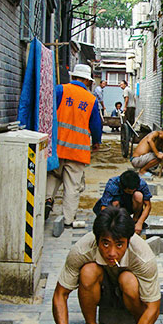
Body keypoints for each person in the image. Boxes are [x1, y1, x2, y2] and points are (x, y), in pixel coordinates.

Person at [52, 206, 161, 324]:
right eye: (105, 243)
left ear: (128, 240)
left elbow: (153, 308)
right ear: (97, 239)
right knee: (87, 272)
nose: (112, 253)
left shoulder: (143, 258)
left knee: (129, 281)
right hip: (100, 291)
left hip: (130, 295)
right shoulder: (81, 250)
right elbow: (60, 294)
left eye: (119, 245)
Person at [45, 64, 102, 226]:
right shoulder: (91, 100)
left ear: (73, 77)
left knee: (52, 177)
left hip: (56, 147)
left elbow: (47, 112)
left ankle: (46, 201)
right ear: (86, 80)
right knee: (72, 186)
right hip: (77, 151)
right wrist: (97, 142)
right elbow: (96, 125)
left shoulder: (60, 90)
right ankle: (68, 219)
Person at [93, 170, 152, 235]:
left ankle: (135, 220)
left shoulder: (141, 183)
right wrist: (107, 223)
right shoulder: (112, 184)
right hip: (117, 205)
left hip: (130, 205)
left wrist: (140, 223)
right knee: (115, 203)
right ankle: (116, 220)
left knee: (138, 196)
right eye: (129, 191)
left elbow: (148, 205)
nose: (131, 193)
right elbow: (104, 207)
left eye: (133, 191)